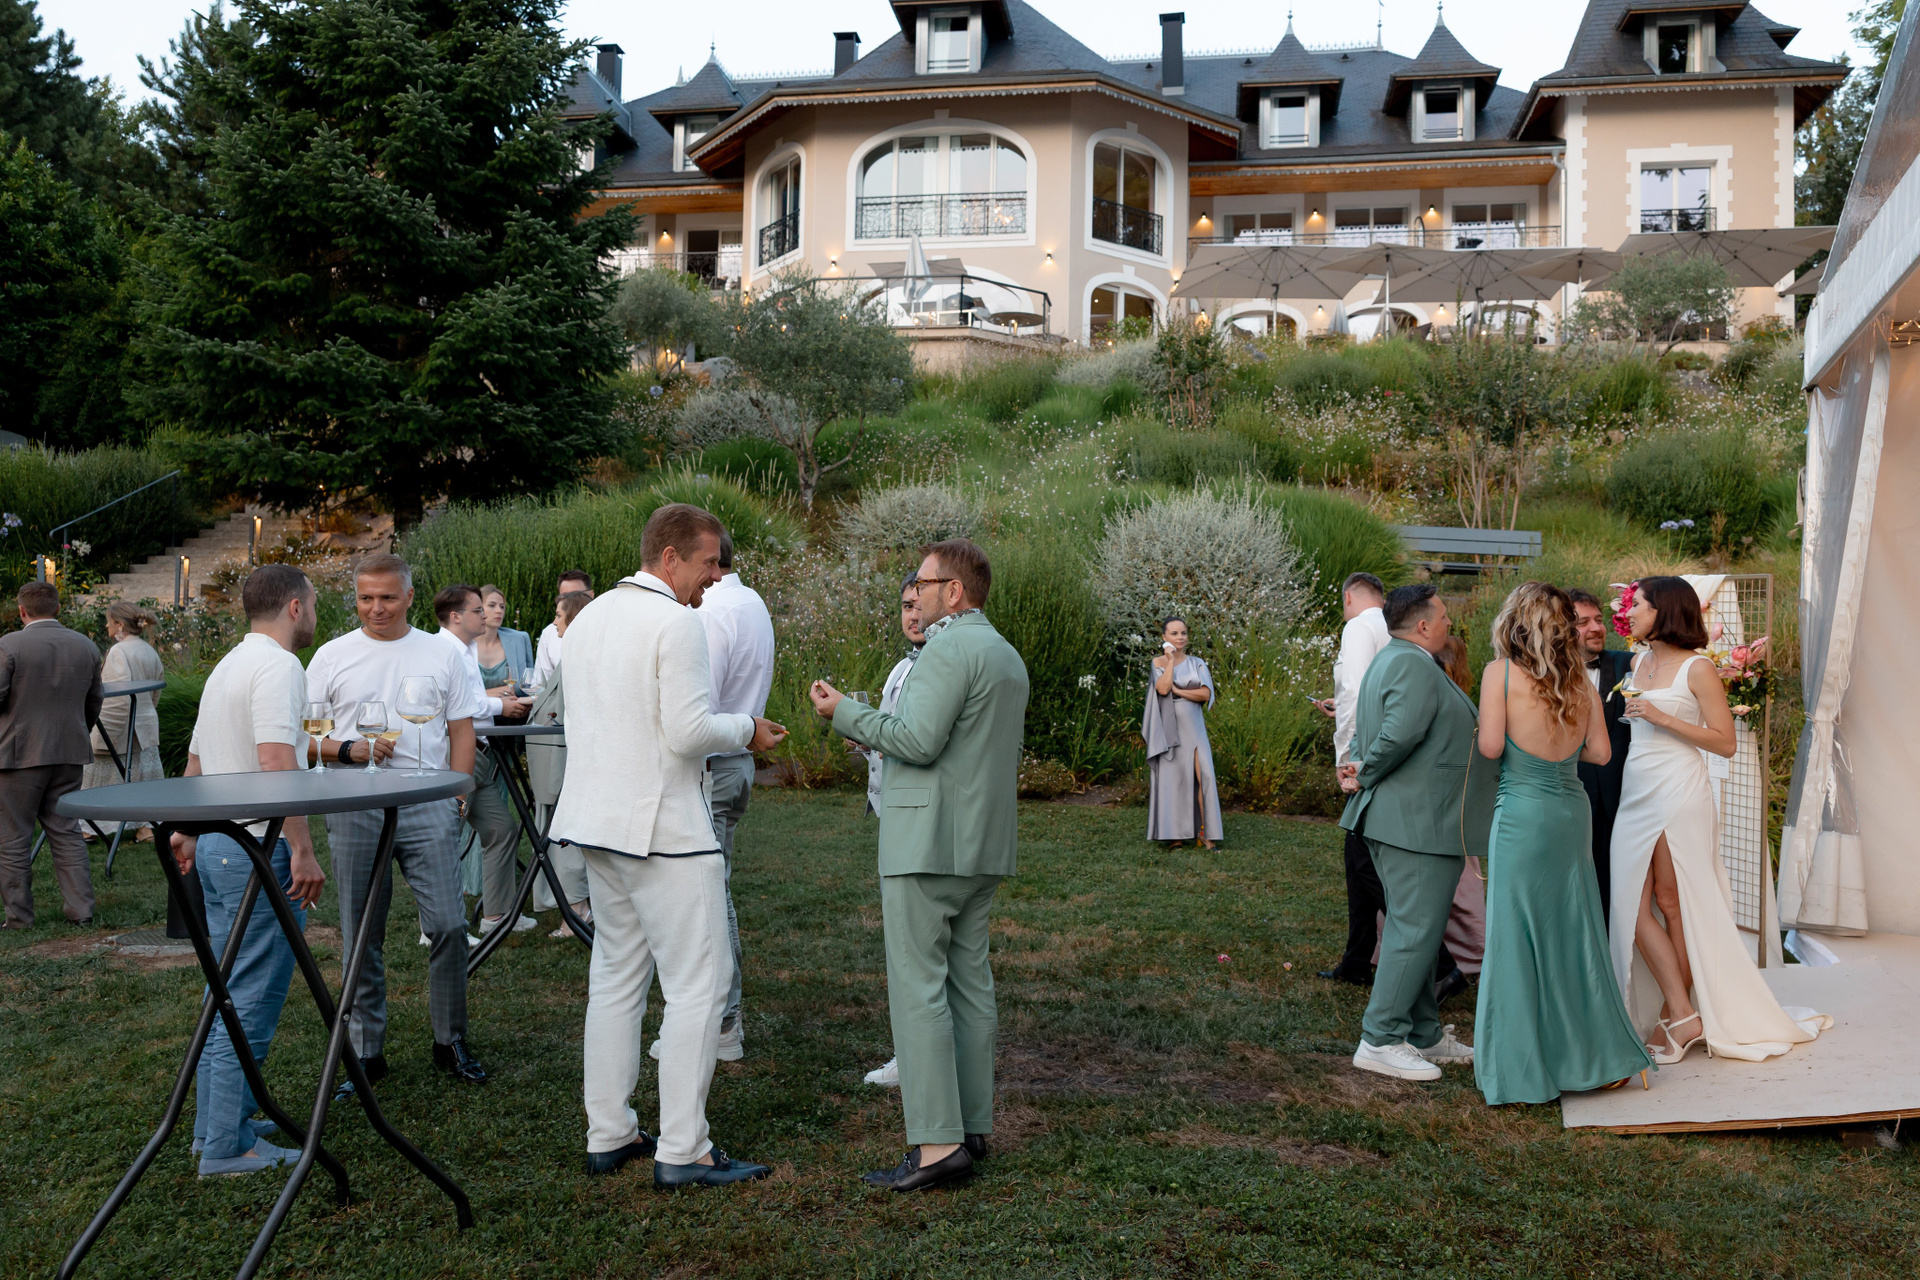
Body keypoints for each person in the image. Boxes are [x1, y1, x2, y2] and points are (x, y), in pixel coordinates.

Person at [551, 503, 786, 1186]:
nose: (717, 575)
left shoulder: (588, 617)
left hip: (596, 824)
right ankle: (684, 1150)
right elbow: (687, 733)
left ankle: (610, 1133)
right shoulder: (676, 623)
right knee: (699, 986)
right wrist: (747, 728)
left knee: (615, 977)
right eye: (710, 562)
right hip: (664, 831)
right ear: (670, 557)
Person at [811, 538, 1030, 1193]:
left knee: (920, 988)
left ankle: (937, 1146)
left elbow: (916, 740)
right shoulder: (1005, 653)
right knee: (969, 984)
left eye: (927, 584)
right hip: (982, 845)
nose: (919, 595)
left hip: (928, 842)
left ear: (953, 592)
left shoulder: (948, 649)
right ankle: (972, 1124)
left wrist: (845, 712)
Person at [1609, 577, 1829, 1063]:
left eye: (1638, 605)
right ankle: (1681, 1011)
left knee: (1675, 901)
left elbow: (1725, 742)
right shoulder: (1637, 662)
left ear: (1664, 611)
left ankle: (1677, 1014)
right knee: (1629, 903)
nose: (1630, 613)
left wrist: (1664, 718)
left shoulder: (1698, 667)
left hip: (1679, 788)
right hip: (1636, 788)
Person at [306, 553, 489, 1092]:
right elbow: (306, 738)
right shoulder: (332, 656)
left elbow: (461, 729)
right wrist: (349, 749)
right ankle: (367, 1052)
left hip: (428, 801)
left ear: (409, 596)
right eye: (366, 598)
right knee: (361, 931)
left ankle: (449, 1039)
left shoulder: (441, 652)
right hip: (353, 804)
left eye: (387, 597)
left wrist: (458, 793)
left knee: (450, 925)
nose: (376, 608)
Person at [171, 565, 329, 1175]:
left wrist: (186, 828)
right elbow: (275, 762)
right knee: (251, 997)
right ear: (294, 607)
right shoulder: (280, 667)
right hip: (257, 848)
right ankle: (226, 1147)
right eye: (312, 603)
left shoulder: (229, 665)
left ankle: (217, 1125)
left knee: (226, 992)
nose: (313, 613)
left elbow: (197, 757)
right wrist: (303, 849)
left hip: (218, 843)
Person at [1471, 582, 1652, 1105]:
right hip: (1572, 812)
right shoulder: (1581, 682)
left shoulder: (1500, 673)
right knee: (1576, 932)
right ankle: (1597, 1058)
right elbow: (1601, 754)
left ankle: (1525, 1068)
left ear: (1515, 623)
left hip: (1523, 814)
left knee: (1517, 935)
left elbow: (1490, 747)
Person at [1340, 583, 1497, 1082]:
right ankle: (1381, 1038)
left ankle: (1423, 1033)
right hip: (1417, 821)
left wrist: (1360, 765)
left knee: (1419, 930)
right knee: (1413, 931)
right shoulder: (1411, 663)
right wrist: (1366, 771)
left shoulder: (1395, 659)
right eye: (1444, 616)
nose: (1450, 623)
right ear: (1424, 624)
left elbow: (1374, 730)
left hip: (1414, 820)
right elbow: (1399, 733)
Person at [693, 529, 774, 1061]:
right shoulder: (752, 601)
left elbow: (700, 705)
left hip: (714, 763)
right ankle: (720, 1019)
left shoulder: (712, 611)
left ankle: (724, 1023)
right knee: (712, 889)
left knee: (707, 897)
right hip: (738, 760)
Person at [860, 573, 930, 1090]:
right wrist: (863, 738)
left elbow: (917, 741)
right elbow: (889, 735)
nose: (913, 614)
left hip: (919, 819)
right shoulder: (902, 667)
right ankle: (913, 1050)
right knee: (906, 943)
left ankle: (916, 1058)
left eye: (920, 604)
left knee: (915, 947)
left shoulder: (939, 668)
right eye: (905, 605)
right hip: (894, 812)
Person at [0, 582, 103, 929]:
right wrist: (76, 731)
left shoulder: (9, 645)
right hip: (69, 752)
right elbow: (94, 700)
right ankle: (81, 910)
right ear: (58, 608)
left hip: (17, 755)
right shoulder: (86, 646)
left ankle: (19, 917)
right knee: (67, 831)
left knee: (13, 837)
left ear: (21, 611)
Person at [433, 584, 532, 935]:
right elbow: (464, 705)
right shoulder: (444, 651)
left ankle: (497, 916)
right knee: (445, 836)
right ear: (456, 617)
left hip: (481, 756)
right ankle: (434, 927)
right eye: (478, 610)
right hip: (460, 756)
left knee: (501, 830)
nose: (486, 616)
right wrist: (502, 705)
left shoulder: (465, 648)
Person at [1317, 573, 1390, 985]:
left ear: (1348, 597)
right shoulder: (1390, 625)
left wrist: (1347, 758)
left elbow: (1357, 693)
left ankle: (1442, 962)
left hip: (1366, 761)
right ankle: (1357, 961)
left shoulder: (1358, 626)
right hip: (1386, 752)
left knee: (1363, 862)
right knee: (1357, 856)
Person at [529, 588, 593, 938]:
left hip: (562, 766)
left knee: (566, 839)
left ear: (574, 617)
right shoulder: (574, 656)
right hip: (552, 765)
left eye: (558, 615)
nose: (554, 623)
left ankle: (578, 910)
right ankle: (574, 907)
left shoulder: (579, 660)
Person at [1569, 588, 1632, 926]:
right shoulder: (1545, 675)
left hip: (1620, 800)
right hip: (1568, 799)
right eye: (1583, 623)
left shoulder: (1628, 664)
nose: (1595, 628)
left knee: (1615, 890)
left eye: (1598, 619)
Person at [83, 600, 165, 837]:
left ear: (119, 625)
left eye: (109, 622)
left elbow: (116, 697)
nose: (106, 626)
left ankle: (91, 827)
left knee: (103, 779)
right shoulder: (148, 650)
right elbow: (155, 692)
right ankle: (146, 827)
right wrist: (146, 713)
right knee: (142, 778)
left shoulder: (119, 651)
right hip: (144, 725)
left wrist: (102, 736)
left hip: (122, 727)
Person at [1143, 618, 1222, 849]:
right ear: (1164, 638)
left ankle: (1206, 834)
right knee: (1173, 780)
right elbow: (1162, 688)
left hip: (1194, 729)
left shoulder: (1197, 663)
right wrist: (1170, 661)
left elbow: (1205, 694)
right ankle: (1175, 836)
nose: (1180, 638)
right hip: (1169, 729)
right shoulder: (1158, 662)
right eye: (1175, 633)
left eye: (1184, 633)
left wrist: (1178, 690)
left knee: (1204, 777)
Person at [531, 570, 593, 689]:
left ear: (590, 595)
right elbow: (540, 682)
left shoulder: (604, 632)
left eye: (575, 595)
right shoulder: (549, 633)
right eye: (563, 596)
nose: (568, 601)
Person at [476, 585, 533, 695]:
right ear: (478, 609)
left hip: (514, 704)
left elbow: (526, 685)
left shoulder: (519, 639)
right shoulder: (463, 644)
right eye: (492, 605)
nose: (499, 611)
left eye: (502, 607)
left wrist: (481, 694)